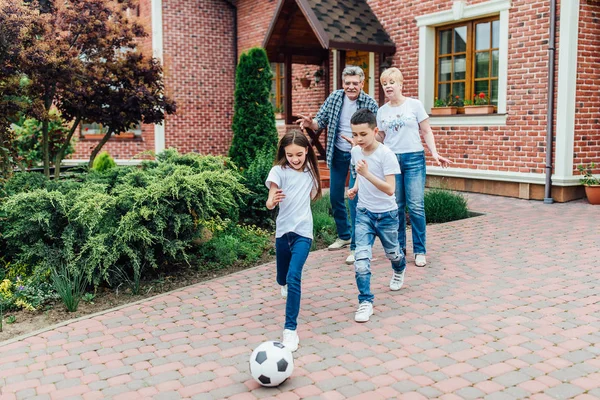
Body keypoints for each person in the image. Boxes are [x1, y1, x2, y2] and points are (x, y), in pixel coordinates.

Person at [296, 65, 378, 265]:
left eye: (355, 83)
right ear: (343, 83)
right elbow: (319, 122)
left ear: (362, 83)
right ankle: (345, 235)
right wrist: (310, 123)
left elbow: (375, 133)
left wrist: (358, 144)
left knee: (354, 199)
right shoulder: (334, 98)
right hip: (337, 153)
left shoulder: (369, 103)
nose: (351, 87)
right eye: (347, 83)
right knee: (335, 198)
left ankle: (357, 247)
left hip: (358, 155)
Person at [376, 67, 451, 267]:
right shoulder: (381, 111)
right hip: (391, 161)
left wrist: (434, 153)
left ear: (401, 84)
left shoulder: (414, 105)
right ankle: (399, 249)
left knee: (416, 206)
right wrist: (364, 140)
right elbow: (381, 137)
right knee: (397, 207)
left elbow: (426, 131)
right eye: (384, 84)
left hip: (414, 159)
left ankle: (420, 250)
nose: (388, 86)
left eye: (392, 82)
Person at [265, 130, 322, 352]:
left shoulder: (310, 173)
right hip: (283, 233)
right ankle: (284, 284)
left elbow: (310, 195)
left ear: (307, 151)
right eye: (290, 155)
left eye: (299, 154)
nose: (295, 159)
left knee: (293, 276)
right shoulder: (279, 171)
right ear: (284, 153)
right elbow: (271, 199)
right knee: (282, 278)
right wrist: (272, 201)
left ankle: (290, 330)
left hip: (303, 233)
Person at [347, 108, 404, 323]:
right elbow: (361, 175)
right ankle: (365, 302)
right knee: (361, 260)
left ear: (375, 131)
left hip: (387, 215)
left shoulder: (386, 155)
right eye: (355, 134)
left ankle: (399, 269)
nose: (358, 139)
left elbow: (390, 189)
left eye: (363, 134)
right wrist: (355, 187)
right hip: (364, 214)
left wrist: (365, 174)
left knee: (393, 254)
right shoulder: (355, 152)